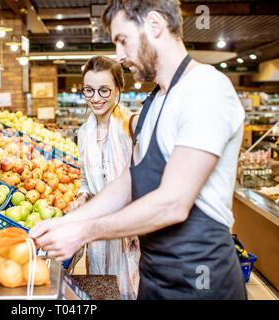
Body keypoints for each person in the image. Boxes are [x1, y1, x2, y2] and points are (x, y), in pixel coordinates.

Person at [29, 0, 247, 300]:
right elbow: (130, 182)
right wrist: (67, 222)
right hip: (155, 273)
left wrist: (84, 232)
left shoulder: (206, 88)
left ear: (154, 25)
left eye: (122, 40)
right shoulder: (156, 101)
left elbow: (173, 203)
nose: (119, 55)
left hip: (200, 280)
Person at [67, 55, 140, 300]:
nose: (95, 98)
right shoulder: (85, 132)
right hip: (98, 234)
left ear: (119, 88)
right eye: (89, 90)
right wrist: (81, 197)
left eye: (104, 90)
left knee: (130, 291)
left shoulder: (130, 127)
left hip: (130, 228)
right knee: (102, 289)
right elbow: (88, 180)